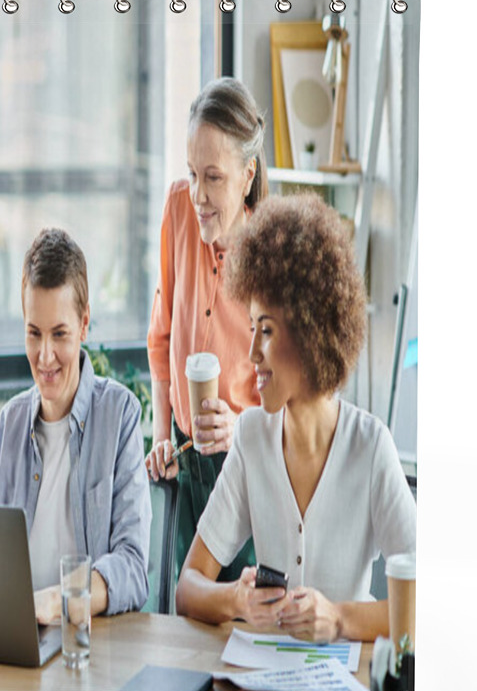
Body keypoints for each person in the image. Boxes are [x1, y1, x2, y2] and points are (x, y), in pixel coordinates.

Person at [174, 193, 417, 643]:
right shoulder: (251, 437)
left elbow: (424, 605)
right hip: (266, 689)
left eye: (265, 331)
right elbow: (187, 589)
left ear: (309, 331)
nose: (252, 354)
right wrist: (237, 600)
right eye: (252, 330)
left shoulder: (370, 446)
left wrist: (340, 618)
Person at [0, 228, 151, 625]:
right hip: (13, 644)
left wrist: (57, 601)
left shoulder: (119, 415)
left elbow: (132, 568)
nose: (45, 356)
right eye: (34, 334)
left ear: (84, 324)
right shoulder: (9, 423)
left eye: (60, 334)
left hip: (85, 648)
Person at [145, 77, 268, 583]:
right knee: (186, 616)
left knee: (241, 620)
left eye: (213, 177)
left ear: (247, 174)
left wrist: (240, 428)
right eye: (192, 172)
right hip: (187, 458)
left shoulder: (272, 251)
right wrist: (160, 438)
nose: (198, 193)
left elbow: (290, 399)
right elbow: (162, 336)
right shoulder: (178, 209)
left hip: (245, 468)